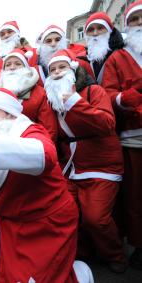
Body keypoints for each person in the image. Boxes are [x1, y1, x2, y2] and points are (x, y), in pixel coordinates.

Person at [0, 89, 92, 283]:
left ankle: (79, 273)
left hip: (43, 224)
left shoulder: (31, 131)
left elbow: (44, 155)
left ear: (10, 115)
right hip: (10, 217)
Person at [45, 49, 127, 273]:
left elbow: (107, 123)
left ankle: (115, 254)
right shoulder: (52, 102)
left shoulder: (94, 91)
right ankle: (81, 251)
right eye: (52, 69)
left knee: (95, 218)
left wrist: (74, 102)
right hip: (72, 167)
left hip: (102, 165)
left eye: (62, 67)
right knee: (65, 212)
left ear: (73, 69)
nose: (57, 72)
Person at [101, 0, 142, 270]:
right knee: (136, 197)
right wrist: (122, 99)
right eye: (135, 19)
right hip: (133, 138)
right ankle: (140, 245)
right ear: (127, 25)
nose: (140, 23)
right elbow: (108, 94)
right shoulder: (118, 58)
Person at [0, 48, 57, 141]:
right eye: (8, 65)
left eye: (17, 64)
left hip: (31, 147)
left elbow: (49, 129)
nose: (12, 67)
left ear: (25, 68)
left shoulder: (40, 94)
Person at [0, 21, 37, 89]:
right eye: (2, 34)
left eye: (9, 32)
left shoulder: (33, 53)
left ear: (17, 34)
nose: (6, 36)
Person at [83, 12, 124, 84]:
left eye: (100, 28)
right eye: (91, 30)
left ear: (109, 31)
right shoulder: (83, 58)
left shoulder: (123, 53)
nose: (95, 33)